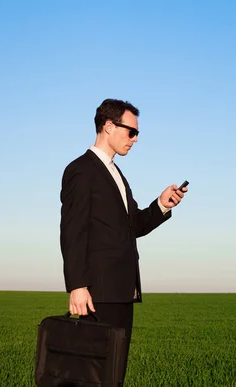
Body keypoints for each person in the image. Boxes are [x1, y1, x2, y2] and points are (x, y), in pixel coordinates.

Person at [59, 98, 187, 382]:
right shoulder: (81, 170)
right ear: (108, 126)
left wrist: (162, 205)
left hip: (123, 292)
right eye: (131, 131)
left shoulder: (117, 174)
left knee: (114, 375)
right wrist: (77, 285)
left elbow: (133, 226)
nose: (135, 139)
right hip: (97, 295)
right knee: (94, 377)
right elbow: (72, 230)